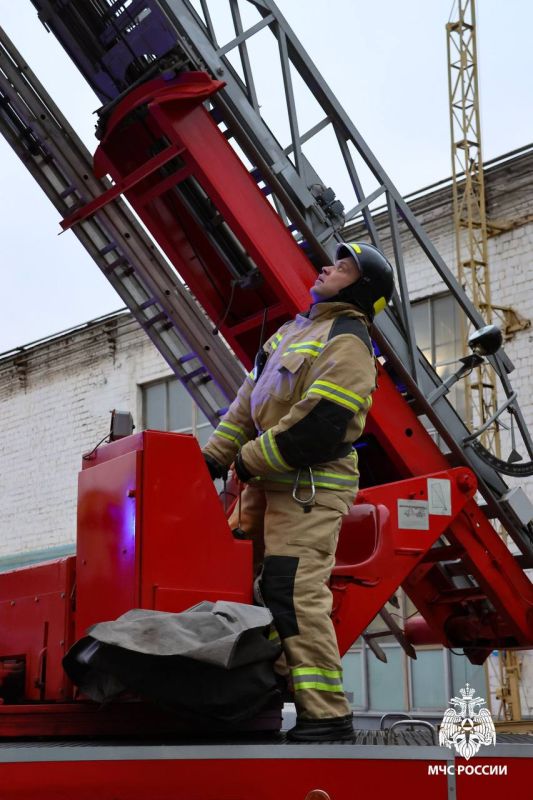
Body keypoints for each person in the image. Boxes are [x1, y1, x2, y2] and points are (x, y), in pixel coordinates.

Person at [202, 241, 394, 741]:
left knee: (293, 591)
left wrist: (243, 459)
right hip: (268, 481)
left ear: (361, 288)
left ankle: (328, 715)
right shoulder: (292, 332)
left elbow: (321, 427)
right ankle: (254, 693)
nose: (328, 267)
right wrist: (213, 456)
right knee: (229, 581)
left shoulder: (351, 341)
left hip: (310, 488)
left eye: (344, 266)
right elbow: (246, 404)